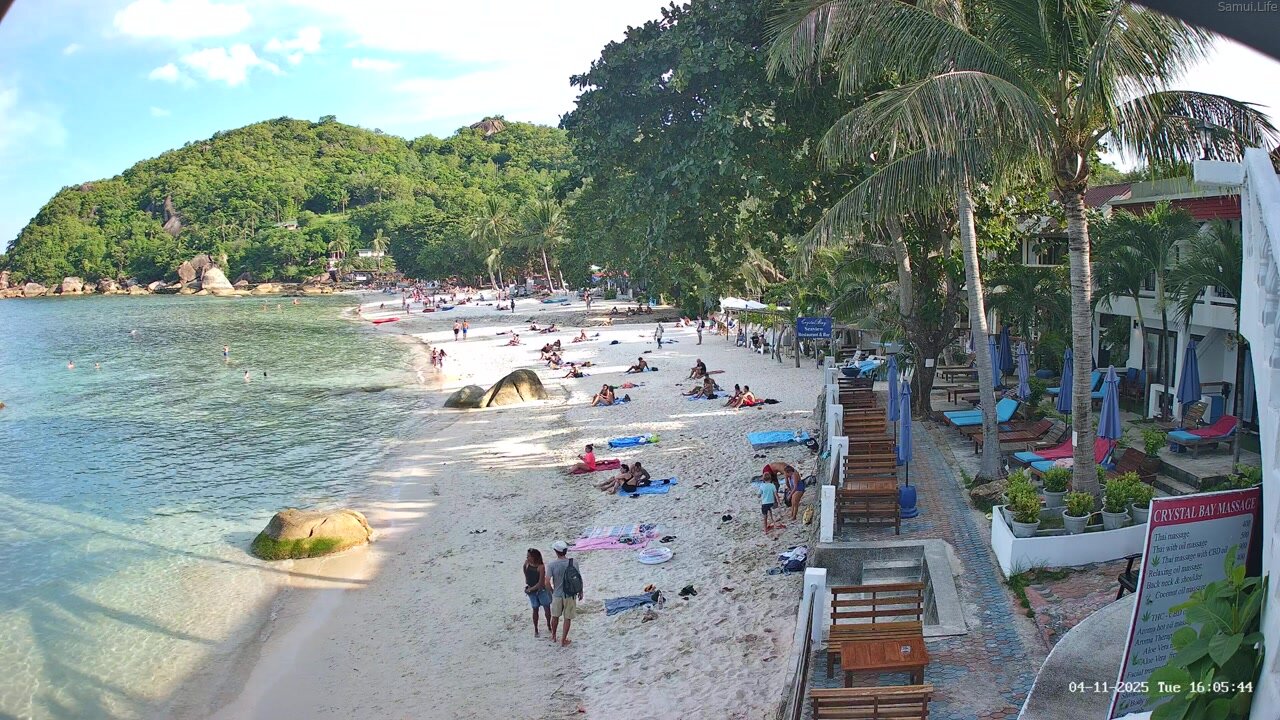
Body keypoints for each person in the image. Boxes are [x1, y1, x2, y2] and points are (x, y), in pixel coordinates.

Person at [547, 541, 582, 647]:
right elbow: (578, 578)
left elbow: (547, 582)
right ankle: (563, 639)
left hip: (557, 595)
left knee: (555, 617)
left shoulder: (552, 564)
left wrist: (552, 591)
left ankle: (553, 636)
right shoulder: (573, 562)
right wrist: (581, 591)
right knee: (567, 618)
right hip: (570, 594)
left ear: (556, 551)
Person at [523, 548, 553, 637]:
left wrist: (530, 589)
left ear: (534, 557)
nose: (527, 558)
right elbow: (525, 573)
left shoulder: (541, 567)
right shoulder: (526, 563)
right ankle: (536, 628)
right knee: (535, 609)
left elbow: (540, 583)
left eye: (529, 556)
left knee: (546, 608)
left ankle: (548, 624)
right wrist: (528, 584)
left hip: (541, 590)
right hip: (532, 590)